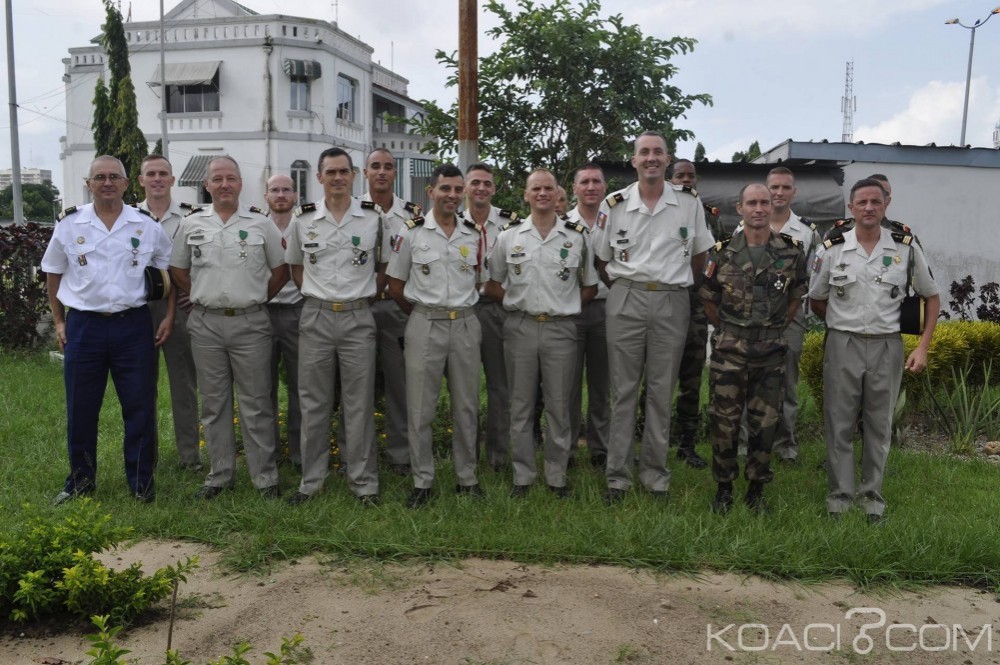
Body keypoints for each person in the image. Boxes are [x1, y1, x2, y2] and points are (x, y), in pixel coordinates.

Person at [592, 131, 715, 504]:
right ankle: (618, 477)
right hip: (625, 298)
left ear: (666, 160)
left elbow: (699, 257)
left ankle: (655, 477)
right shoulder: (613, 204)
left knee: (661, 392)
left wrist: (677, 289)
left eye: (657, 152)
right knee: (624, 391)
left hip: (671, 300)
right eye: (643, 152)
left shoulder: (688, 203)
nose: (650, 158)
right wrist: (623, 289)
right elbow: (601, 259)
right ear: (634, 161)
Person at [43, 155, 173, 504]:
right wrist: (58, 320)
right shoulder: (70, 225)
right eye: (99, 177)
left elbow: (167, 271)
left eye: (115, 176)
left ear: (127, 184)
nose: (107, 183)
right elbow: (53, 272)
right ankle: (80, 481)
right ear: (89, 184)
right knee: (81, 408)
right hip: (84, 326)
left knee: (140, 407)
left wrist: (169, 315)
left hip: (133, 326)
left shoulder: (145, 225)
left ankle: (141, 483)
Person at [809, 178, 938, 524]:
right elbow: (817, 299)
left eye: (875, 202)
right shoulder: (833, 247)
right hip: (843, 344)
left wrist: (922, 348)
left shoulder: (905, 247)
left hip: (887, 345)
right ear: (851, 208)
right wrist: (842, 322)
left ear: (885, 206)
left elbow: (931, 295)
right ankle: (839, 498)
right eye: (862, 202)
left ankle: (872, 499)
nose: (869, 207)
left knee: (879, 425)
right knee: (839, 422)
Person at [169, 156, 288, 499]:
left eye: (231, 178)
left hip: (251, 323)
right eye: (217, 179)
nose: (224, 185)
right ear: (206, 185)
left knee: (256, 402)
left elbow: (280, 271)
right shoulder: (192, 224)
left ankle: (264, 478)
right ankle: (220, 475)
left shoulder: (260, 225)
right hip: (206, 324)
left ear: (240, 184)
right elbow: (178, 269)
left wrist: (254, 298)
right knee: (214, 403)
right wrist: (199, 294)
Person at [485, 169, 598, 498]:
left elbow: (589, 285)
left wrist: (565, 305)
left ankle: (556, 475)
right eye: (536, 188)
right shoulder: (509, 236)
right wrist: (515, 305)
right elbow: (493, 283)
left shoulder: (576, 236)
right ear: (526, 194)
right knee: (520, 405)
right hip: (519, 326)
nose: (543, 194)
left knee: (560, 406)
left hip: (561, 328)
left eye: (549, 188)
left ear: (557, 194)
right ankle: (522, 475)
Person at [284, 148, 386, 506]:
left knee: (359, 403)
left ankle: (364, 484)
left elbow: (383, 265)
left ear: (354, 175)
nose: (338, 177)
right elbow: (296, 268)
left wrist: (362, 296)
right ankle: (311, 483)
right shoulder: (303, 219)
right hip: (316, 315)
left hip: (359, 317)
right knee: (314, 403)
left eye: (344, 171)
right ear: (319, 177)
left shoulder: (373, 218)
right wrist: (321, 298)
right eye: (331, 172)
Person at [700, 183, 809, 513]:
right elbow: (709, 301)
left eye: (764, 202)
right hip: (729, 352)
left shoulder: (791, 252)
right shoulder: (720, 253)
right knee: (725, 422)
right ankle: (723, 489)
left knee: (765, 425)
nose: (759, 208)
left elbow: (794, 301)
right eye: (752, 203)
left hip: (770, 352)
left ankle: (756, 490)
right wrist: (733, 331)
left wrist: (767, 330)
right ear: (740, 208)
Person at [387, 163, 484, 508]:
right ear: (431, 192)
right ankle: (422, 481)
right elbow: (395, 286)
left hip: (465, 324)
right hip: (424, 322)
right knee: (420, 408)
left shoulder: (474, 233)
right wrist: (422, 317)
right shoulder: (410, 233)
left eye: (459, 190)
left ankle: (467, 479)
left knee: (467, 407)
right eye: (446, 189)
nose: (452, 196)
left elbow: (479, 278)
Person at [137, 154, 203, 472]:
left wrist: (194, 291)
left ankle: (189, 457)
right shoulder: (128, 217)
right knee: (140, 385)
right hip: (137, 310)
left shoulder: (190, 218)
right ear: (141, 181)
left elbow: (201, 261)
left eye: (164, 173)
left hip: (179, 309)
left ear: (173, 180)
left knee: (184, 385)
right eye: (151, 174)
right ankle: (145, 456)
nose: (158, 179)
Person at [363, 148, 422, 475]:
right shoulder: (352, 210)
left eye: (387, 167)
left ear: (395, 174)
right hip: (360, 309)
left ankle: (400, 455)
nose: (382, 172)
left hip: (397, 307)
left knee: (401, 387)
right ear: (365, 172)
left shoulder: (412, 215)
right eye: (375, 167)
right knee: (358, 389)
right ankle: (356, 455)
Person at [762, 167, 821, 463]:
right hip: (754, 317)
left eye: (785, 187)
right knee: (754, 377)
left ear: (793, 192)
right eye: (774, 186)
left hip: (791, 315)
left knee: (787, 380)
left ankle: (786, 443)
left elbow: (813, 276)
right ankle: (751, 440)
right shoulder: (748, 225)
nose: (779, 192)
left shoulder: (807, 232)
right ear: (766, 188)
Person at [465, 163, 517, 470]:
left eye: (487, 183)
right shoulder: (453, 222)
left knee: (501, 387)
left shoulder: (511, 225)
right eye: (475, 183)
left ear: (494, 189)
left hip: (499, 310)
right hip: (466, 310)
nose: (481, 188)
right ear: (466, 188)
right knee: (466, 386)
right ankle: (467, 455)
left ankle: (498, 455)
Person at [667, 158, 711, 469]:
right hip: (665, 301)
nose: (686, 180)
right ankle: (648, 438)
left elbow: (714, 257)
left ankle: (687, 443)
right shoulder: (662, 212)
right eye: (680, 175)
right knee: (656, 375)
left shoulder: (706, 214)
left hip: (694, 303)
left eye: (690, 176)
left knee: (691, 378)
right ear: (670, 179)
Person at [567, 162, 611, 467]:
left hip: (607, 309)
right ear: (574, 189)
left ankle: (601, 448)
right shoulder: (562, 224)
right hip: (571, 311)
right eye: (585, 182)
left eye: (596, 181)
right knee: (566, 385)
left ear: (604, 187)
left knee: (603, 384)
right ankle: (566, 447)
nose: (591, 187)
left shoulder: (618, 220)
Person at [263, 174, 304, 472]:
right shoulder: (254, 225)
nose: (280, 195)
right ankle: (269, 453)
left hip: (297, 311)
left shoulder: (306, 224)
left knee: (301, 387)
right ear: (265, 196)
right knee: (262, 388)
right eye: (274, 190)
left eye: (285, 190)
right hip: (262, 312)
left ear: (295, 195)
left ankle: (300, 453)